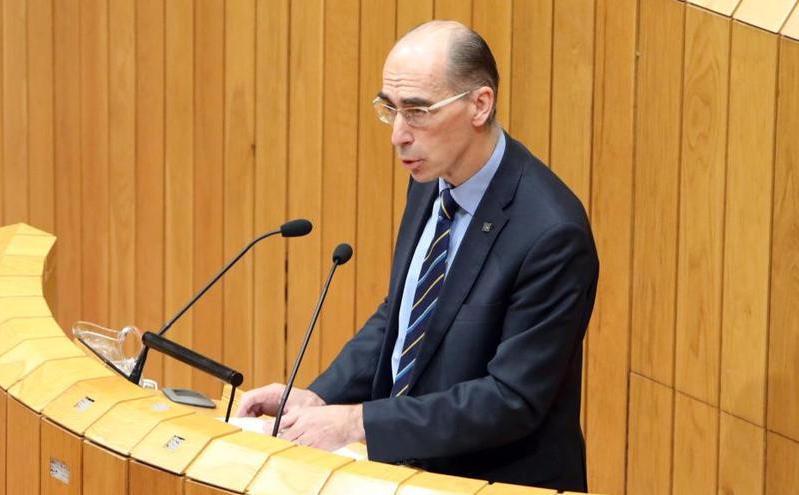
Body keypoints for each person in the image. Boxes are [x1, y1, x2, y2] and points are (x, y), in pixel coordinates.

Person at [236, 20, 598, 492]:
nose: (398, 135)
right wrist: (317, 398)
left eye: (418, 111)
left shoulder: (552, 233)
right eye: (390, 110)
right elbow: (405, 316)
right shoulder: (432, 179)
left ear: (479, 105)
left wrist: (356, 423)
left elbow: (510, 398)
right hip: (407, 477)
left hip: (492, 482)